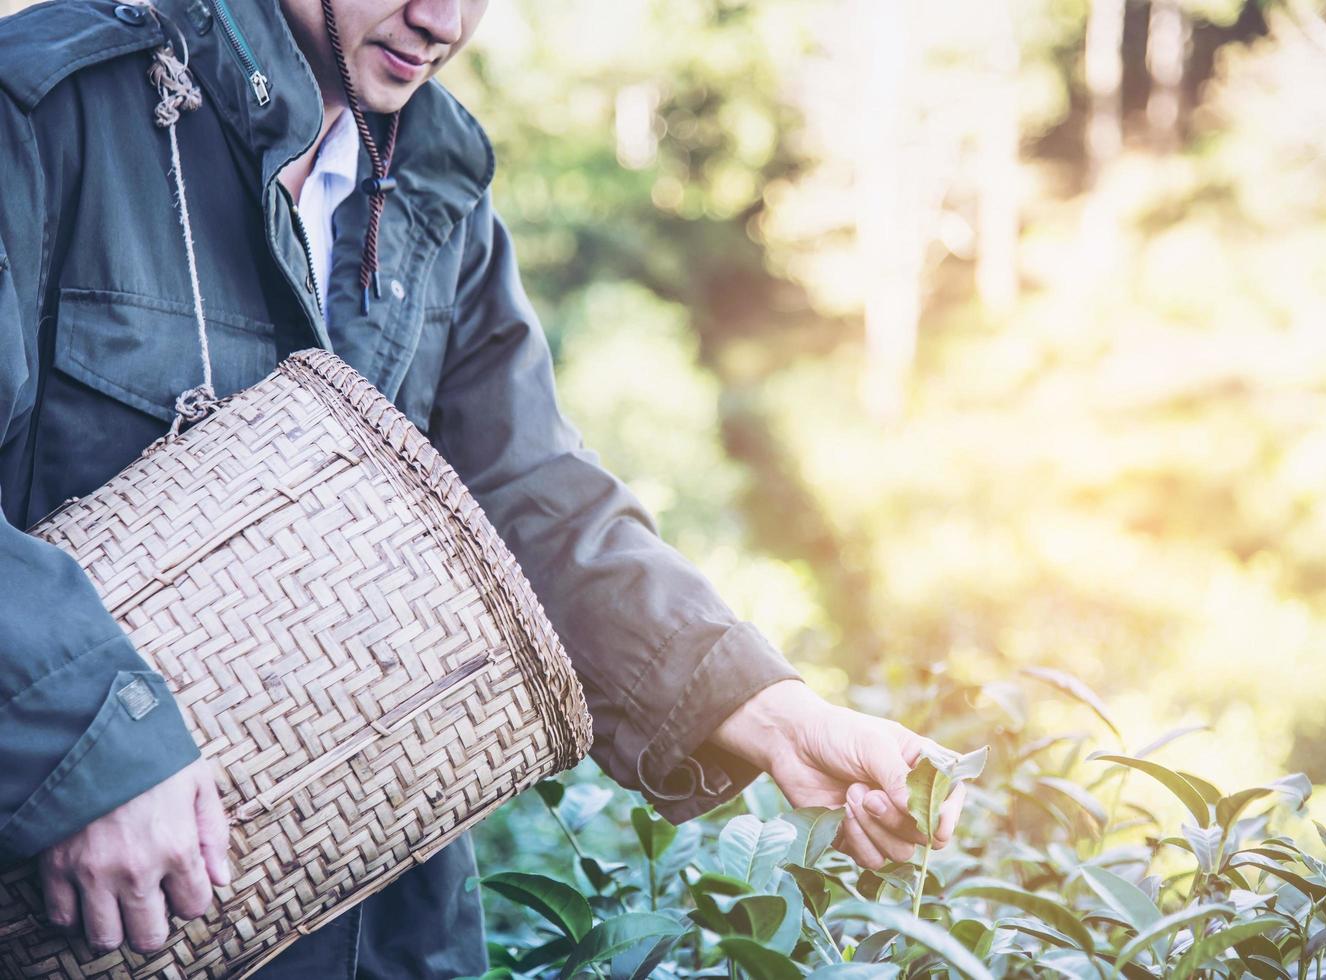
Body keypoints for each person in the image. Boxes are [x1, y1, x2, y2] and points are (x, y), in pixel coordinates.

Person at [0, 0, 966, 973]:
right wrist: (87, 737)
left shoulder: (435, 180)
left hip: (393, 935)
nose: (443, 20)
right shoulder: (48, 106)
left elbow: (523, 497)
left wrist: (780, 716)